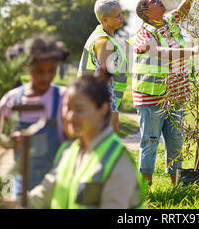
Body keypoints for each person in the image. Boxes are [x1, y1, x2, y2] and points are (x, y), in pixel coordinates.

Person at [129, 0, 199, 186]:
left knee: (176, 141)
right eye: (154, 1)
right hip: (151, 99)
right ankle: (146, 190)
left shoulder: (170, 21)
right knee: (150, 141)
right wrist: (191, 52)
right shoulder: (144, 33)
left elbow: (187, 3)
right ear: (146, 12)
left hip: (175, 96)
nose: (160, 0)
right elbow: (159, 52)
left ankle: (176, 187)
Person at [20, 74, 145, 209]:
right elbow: (41, 197)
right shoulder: (68, 151)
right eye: (67, 107)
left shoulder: (117, 160)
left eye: (79, 109)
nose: (70, 116)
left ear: (102, 109)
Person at [0, 36, 69, 197]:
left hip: (55, 183)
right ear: (26, 66)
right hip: (22, 182)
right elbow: (1, 135)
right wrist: (9, 140)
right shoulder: (12, 100)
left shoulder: (63, 98)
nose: (46, 77)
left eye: (52, 70)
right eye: (39, 71)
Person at [77, 0, 127, 133]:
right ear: (105, 19)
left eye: (121, 13)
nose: (122, 17)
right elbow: (103, 79)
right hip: (99, 103)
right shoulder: (103, 41)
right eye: (118, 16)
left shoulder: (109, 38)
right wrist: (111, 111)